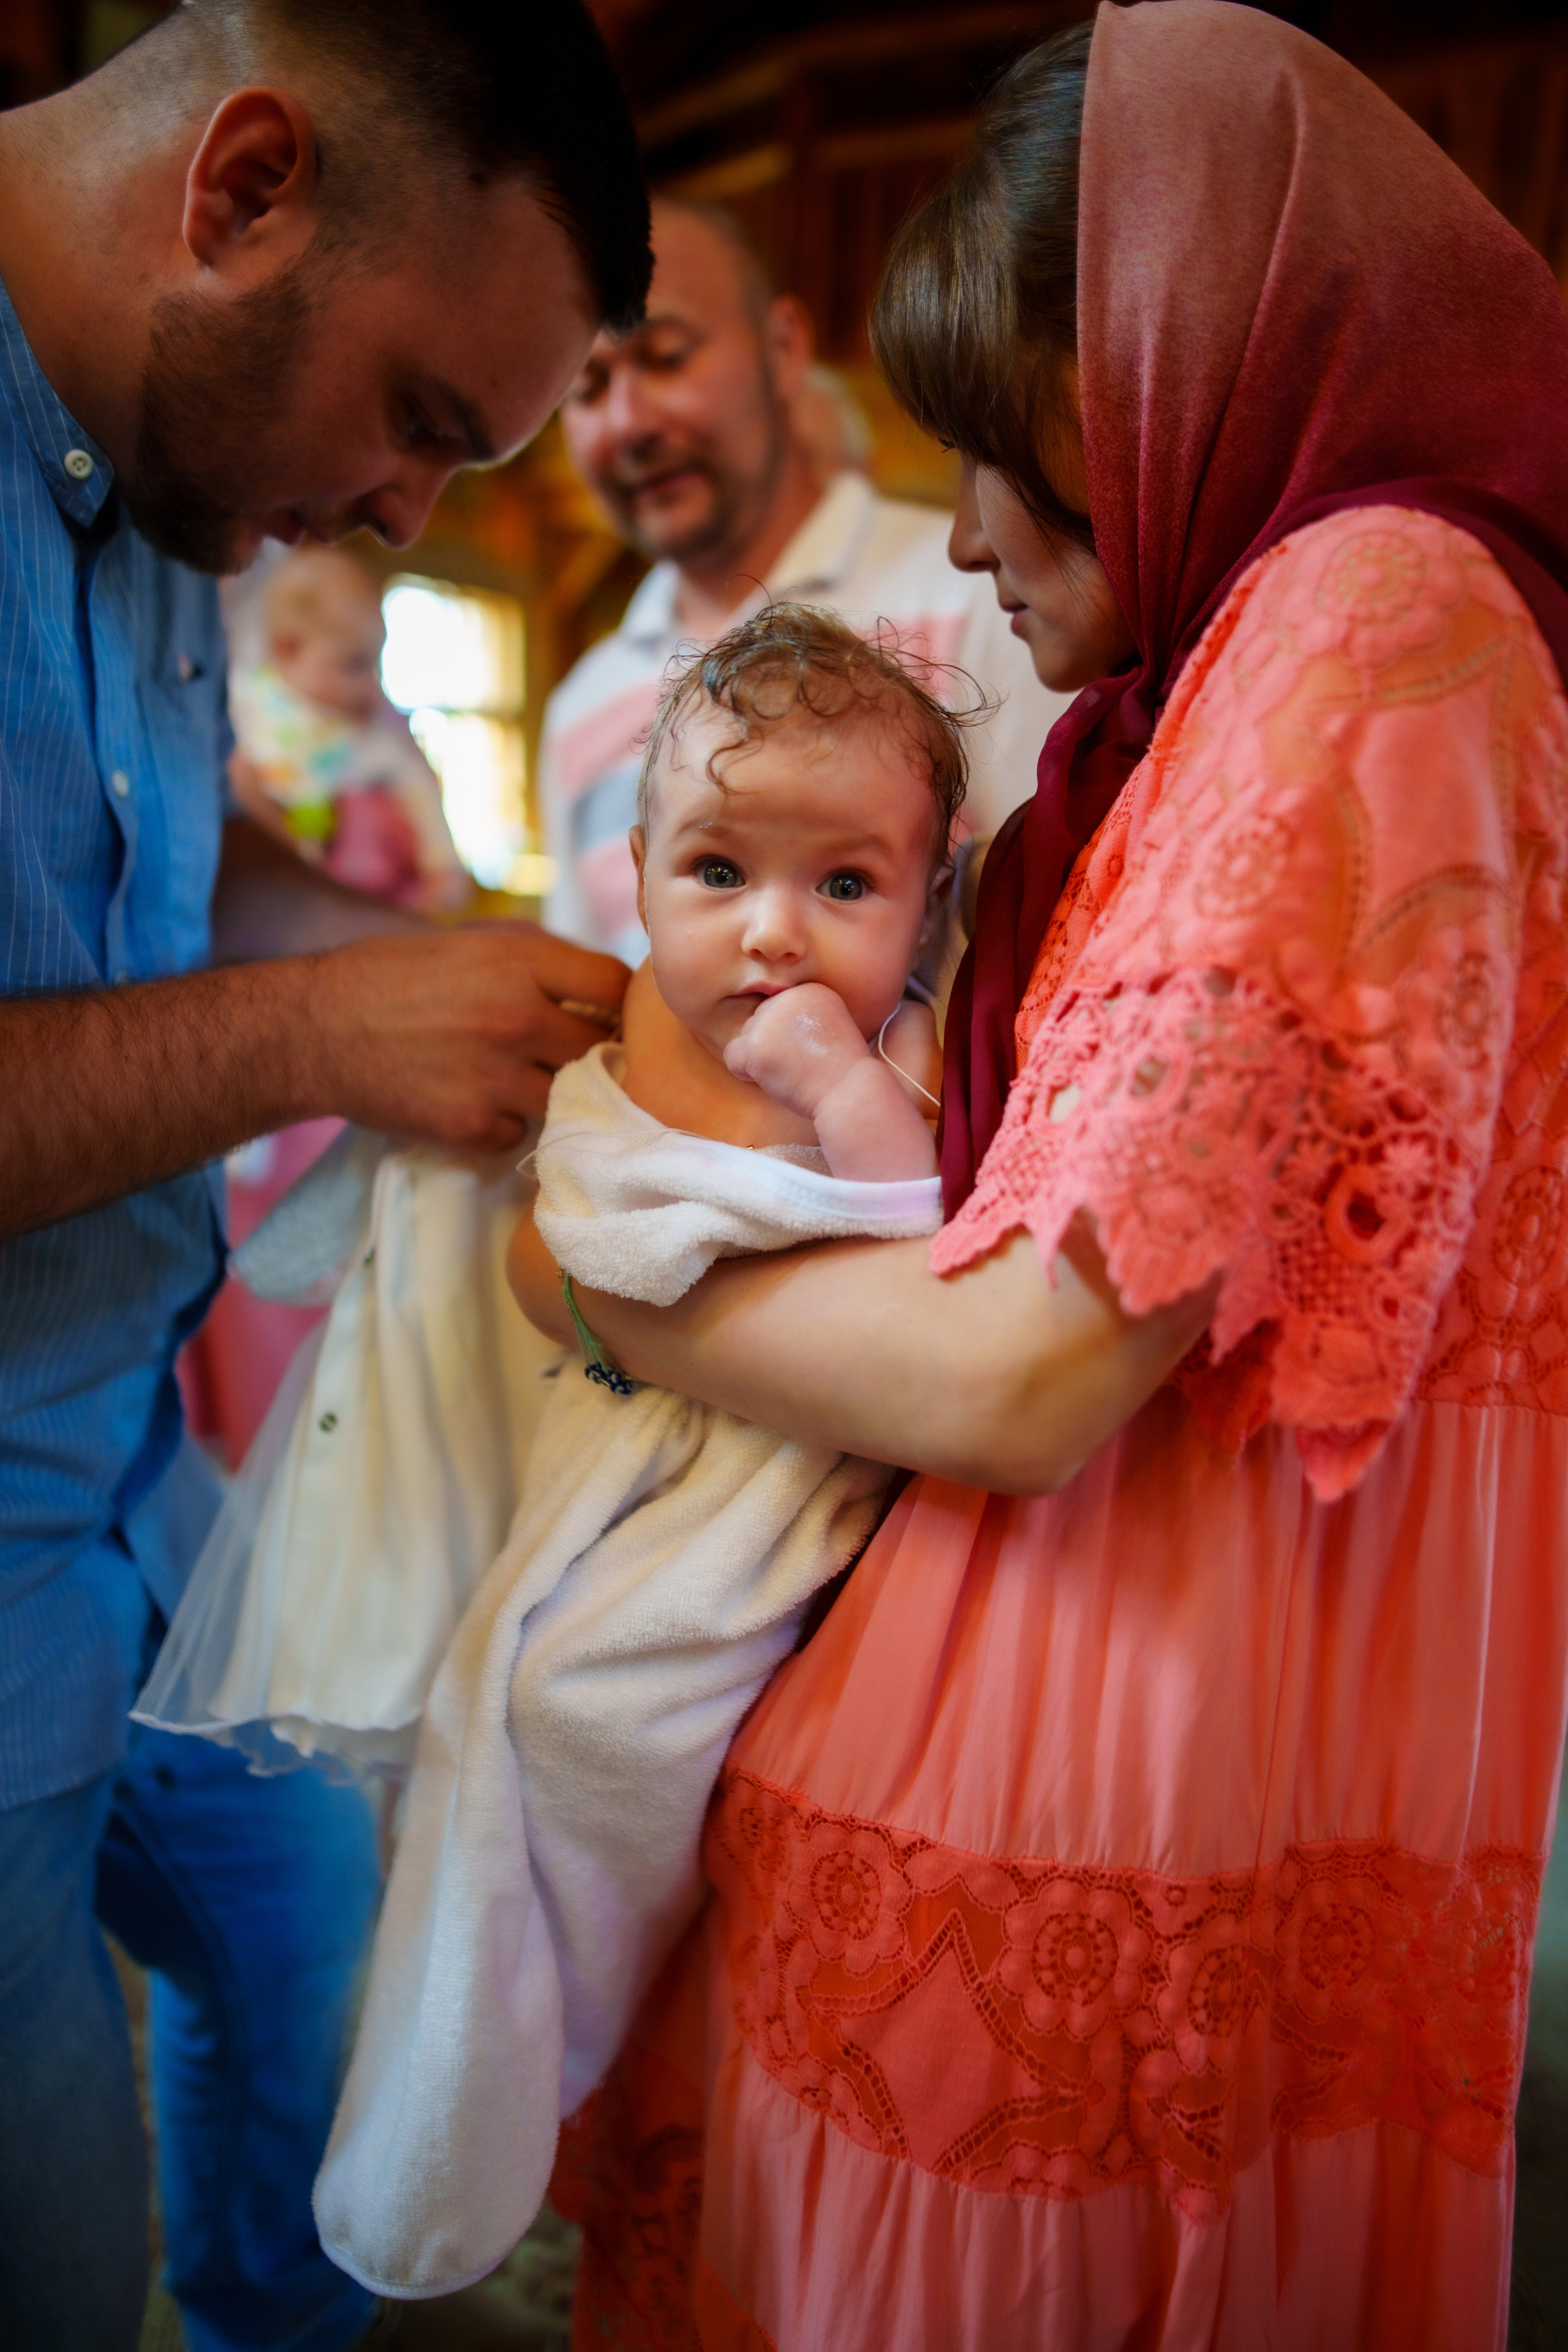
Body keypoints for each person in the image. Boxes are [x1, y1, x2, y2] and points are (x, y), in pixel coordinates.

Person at [508, 6, 1568, 2345]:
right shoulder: (1236, 662)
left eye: (1000, 455)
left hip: (1066, 1884)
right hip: (1001, 1845)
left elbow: (1016, 1374)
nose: (968, 539)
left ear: (1194, 366)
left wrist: (600, 1283)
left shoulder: (1371, 621)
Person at [0, 4, 648, 2348]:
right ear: (242, 183)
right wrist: (321, 1035)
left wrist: (455, 964)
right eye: (417, 424)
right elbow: (247, 1003)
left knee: (309, 1956)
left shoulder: (171, 451)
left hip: (129, 1464)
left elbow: (179, 863)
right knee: (57, 2269)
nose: (408, 513)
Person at [539, 196, 1067, 968]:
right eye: (585, 388)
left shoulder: (983, 594)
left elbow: (1070, 920)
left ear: (783, 348)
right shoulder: (579, 710)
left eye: (667, 357)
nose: (629, 422)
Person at [230, 545, 467, 913]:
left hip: (348, 895)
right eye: (354, 666)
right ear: (287, 649)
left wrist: (442, 865)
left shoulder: (359, 734)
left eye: (375, 668)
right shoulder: (247, 704)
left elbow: (416, 785)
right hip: (272, 889)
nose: (370, 689)